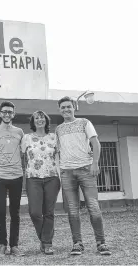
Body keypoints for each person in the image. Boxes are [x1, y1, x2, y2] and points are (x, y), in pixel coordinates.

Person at [55, 96, 111, 256]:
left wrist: (95, 163)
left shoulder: (85, 122)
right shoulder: (58, 129)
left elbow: (96, 143)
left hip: (86, 169)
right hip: (67, 172)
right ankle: (77, 244)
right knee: (72, 210)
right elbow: (59, 150)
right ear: (59, 110)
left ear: (74, 107)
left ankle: (101, 243)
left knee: (93, 207)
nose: (66, 110)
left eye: (69, 107)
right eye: (63, 107)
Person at [0, 101, 25, 257]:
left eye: (10, 112)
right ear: (0, 113)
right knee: (1, 212)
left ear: (13, 114)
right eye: (4, 111)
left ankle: (14, 245)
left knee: (15, 213)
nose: (7, 114)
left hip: (17, 175)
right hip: (0, 176)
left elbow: (24, 154)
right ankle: (3, 245)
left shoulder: (20, 132)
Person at [21, 110, 60, 255]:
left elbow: (62, 155)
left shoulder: (54, 137)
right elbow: (22, 158)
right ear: (33, 122)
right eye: (36, 118)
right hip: (33, 178)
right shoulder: (26, 138)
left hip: (52, 177)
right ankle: (45, 239)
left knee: (48, 212)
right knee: (35, 212)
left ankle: (47, 243)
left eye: (42, 117)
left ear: (46, 120)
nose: (40, 120)